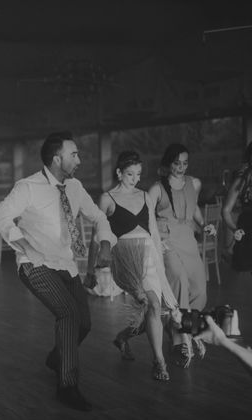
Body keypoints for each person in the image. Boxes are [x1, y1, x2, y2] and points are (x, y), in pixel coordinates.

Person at [0, 131, 116, 411]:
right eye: (74, 154)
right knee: (69, 314)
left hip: (66, 264)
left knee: (84, 323)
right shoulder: (28, 186)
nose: (79, 160)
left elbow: (97, 216)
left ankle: (57, 356)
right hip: (35, 265)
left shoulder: (74, 187)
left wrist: (106, 242)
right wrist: (25, 246)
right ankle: (67, 386)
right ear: (57, 158)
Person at [88, 151, 180, 380]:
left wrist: (161, 264)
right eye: (130, 174)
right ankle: (155, 358)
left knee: (154, 308)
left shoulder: (144, 196)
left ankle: (154, 358)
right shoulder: (107, 198)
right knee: (149, 305)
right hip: (126, 260)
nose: (135, 179)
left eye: (138, 174)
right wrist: (90, 271)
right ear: (119, 173)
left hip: (149, 257)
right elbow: (96, 237)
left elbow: (154, 233)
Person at [148, 143, 216, 368]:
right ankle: (182, 340)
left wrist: (204, 224)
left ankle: (180, 327)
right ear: (168, 164)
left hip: (187, 239)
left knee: (199, 290)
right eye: (177, 163)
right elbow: (147, 218)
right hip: (167, 242)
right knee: (179, 281)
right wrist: (157, 244)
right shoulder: (157, 188)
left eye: (185, 163)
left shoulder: (193, 183)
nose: (181, 167)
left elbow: (194, 207)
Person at [222, 140, 252, 273]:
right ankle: (227, 254)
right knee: (245, 276)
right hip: (247, 228)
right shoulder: (242, 179)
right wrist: (234, 229)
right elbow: (226, 210)